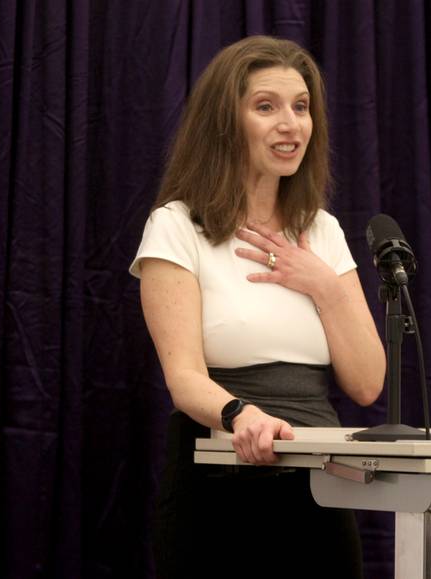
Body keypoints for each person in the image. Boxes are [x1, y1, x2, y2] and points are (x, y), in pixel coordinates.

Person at [129, 36, 386, 578]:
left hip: (320, 482)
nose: (290, 124)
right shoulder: (176, 226)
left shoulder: (323, 230)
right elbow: (183, 378)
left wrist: (326, 286)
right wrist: (240, 415)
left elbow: (366, 384)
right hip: (219, 481)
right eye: (266, 107)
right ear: (226, 122)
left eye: (301, 107)